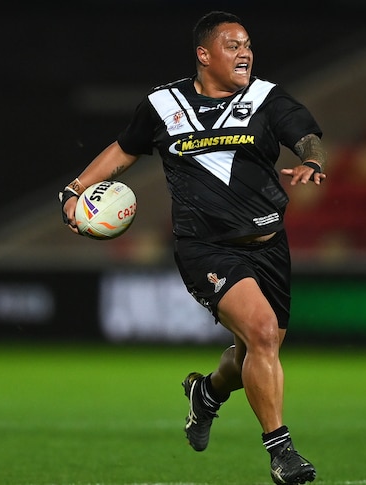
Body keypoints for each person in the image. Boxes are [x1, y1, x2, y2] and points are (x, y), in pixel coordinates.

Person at [58, 11, 324, 484]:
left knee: (250, 357)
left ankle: (207, 393)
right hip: (206, 249)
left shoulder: (265, 97)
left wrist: (311, 159)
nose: (245, 52)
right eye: (232, 45)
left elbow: (304, 133)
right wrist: (74, 189)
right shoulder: (163, 104)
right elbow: (125, 148)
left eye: (247, 44)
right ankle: (282, 454)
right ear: (204, 55)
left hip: (268, 245)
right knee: (262, 333)